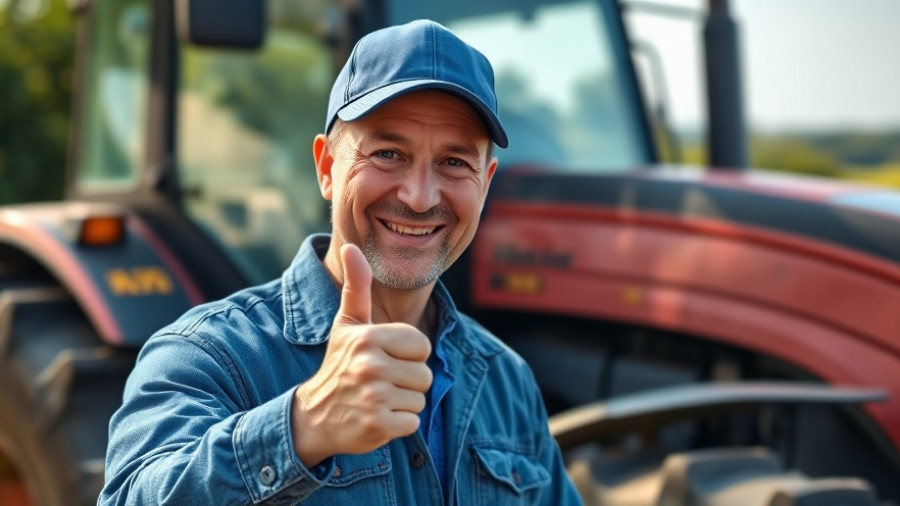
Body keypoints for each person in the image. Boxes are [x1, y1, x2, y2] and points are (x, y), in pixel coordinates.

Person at [100, 19, 581, 505]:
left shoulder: (506, 380)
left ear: (486, 181)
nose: (419, 197)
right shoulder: (209, 357)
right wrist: (304, 425)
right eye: (388, 153)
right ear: (327, 168)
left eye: (454, 162)